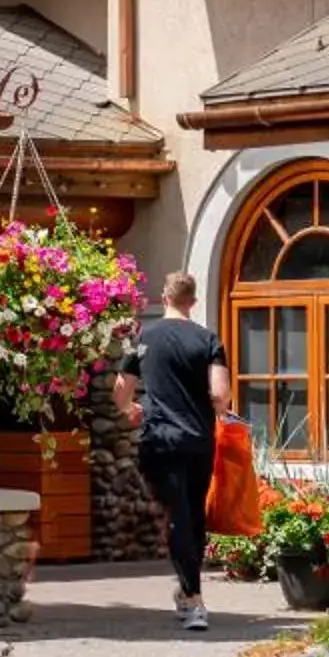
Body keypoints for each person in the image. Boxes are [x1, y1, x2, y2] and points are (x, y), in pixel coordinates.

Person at [113, 270, 230, 633]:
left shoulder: (143, 337)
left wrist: (128, 408)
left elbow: (122, 388)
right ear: (192, 301)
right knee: (191, 514)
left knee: (178, 514)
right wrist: (219, 410)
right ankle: (188, 592)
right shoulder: (208, 339)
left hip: (160, 439)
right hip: (198, 440)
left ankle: (194, 600)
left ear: (164, 298)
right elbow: (220, 394)